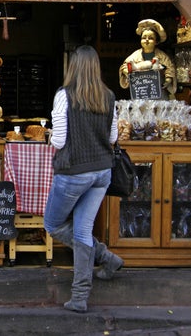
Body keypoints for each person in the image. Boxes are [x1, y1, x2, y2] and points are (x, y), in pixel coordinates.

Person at [44, 45, 124, 313]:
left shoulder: (65, 96)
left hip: (74, 173)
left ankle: (101, 262)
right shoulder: (109, 96)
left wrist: (48, 136)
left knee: (53, 224)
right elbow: (113, 138)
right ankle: (86, 287)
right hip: (102, 172)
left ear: (74, 67)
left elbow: (59, 140)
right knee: (81, 231)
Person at [118, 19, 176, 97]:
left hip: (159, 94)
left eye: (151, 38)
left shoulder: (163, 57)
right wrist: (126, 72)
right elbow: (124, 67)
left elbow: (170, 68)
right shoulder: (135, 56)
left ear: (156, 41)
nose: (147, 40)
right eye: (144, 38)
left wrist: (168, 79)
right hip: (140, 94)